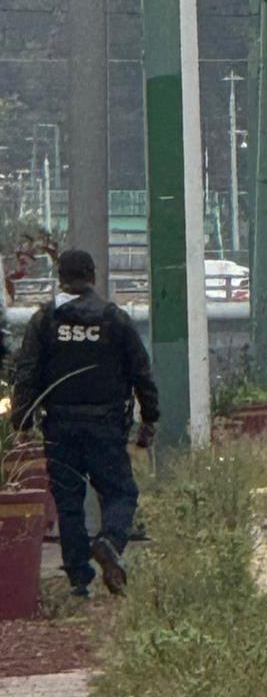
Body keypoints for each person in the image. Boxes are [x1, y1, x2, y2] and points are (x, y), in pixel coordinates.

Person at [10, 250, 159, 597]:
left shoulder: (44, 321)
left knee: (68, 500)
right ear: (92, 277)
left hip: (59, 426)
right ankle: (109, 541)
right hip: (106, 425)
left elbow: (27, 372)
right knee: (121, 492)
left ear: (60, 277)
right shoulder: (113, 319)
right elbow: (141, 372)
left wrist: (22, 419)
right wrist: (149, 418)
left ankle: (79, 578)